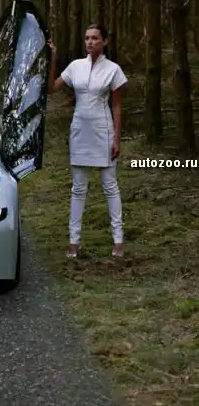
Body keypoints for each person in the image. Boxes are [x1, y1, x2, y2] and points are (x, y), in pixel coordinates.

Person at [47, 24, 128, 259]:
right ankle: (74, 241)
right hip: (79, 130)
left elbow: (117, 106)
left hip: (103, 130)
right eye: (87, 38)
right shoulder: (75, 66)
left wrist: (117, 138)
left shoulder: (113, 70)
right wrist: (53, 58)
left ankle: (118, 240)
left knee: (110, 185)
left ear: (105, 42)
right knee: (78, 187)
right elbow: (51, 88)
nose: (90, 42)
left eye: (94, 38)